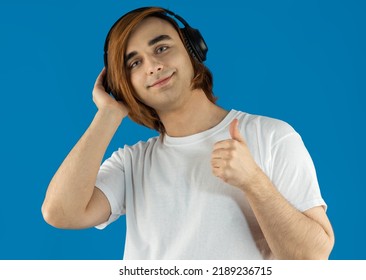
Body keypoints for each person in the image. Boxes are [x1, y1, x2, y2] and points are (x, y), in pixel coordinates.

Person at [41, 7, 334, 260]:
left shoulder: (272, 136)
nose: (153, 66)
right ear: (125, 85)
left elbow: (312, 256)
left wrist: (254, 182)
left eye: (161, 48)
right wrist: (108, 114)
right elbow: (60, 212)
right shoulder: (132, 164)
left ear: (193, 51)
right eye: (135, 63)